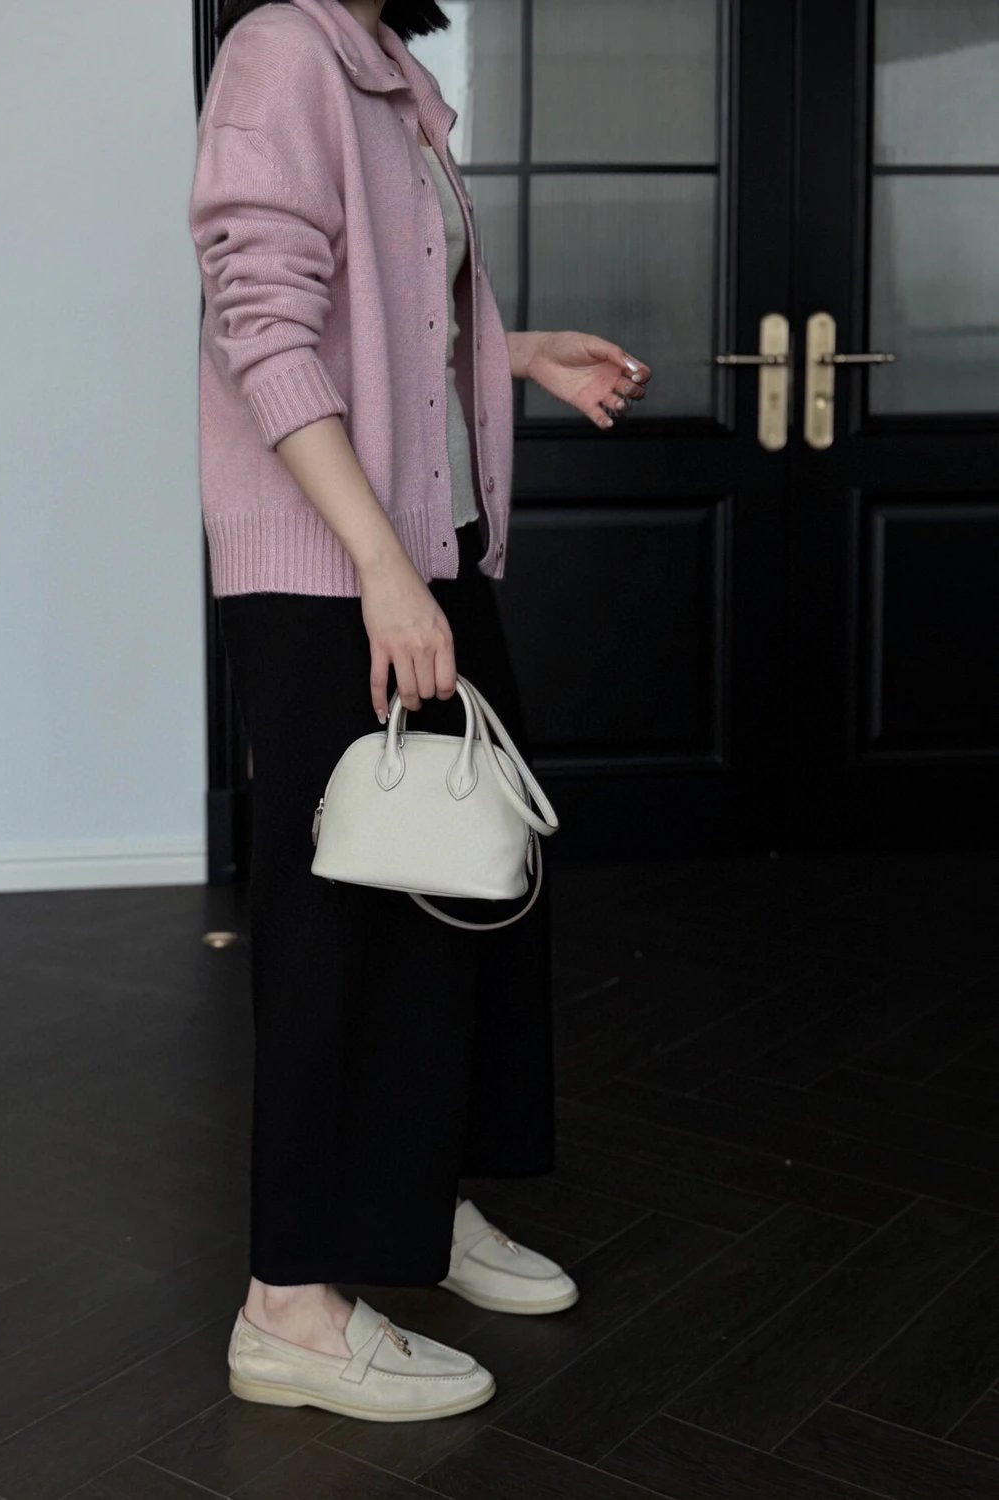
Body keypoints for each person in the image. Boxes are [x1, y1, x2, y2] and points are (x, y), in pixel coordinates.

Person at [188, 0, 651, 1423]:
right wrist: (381, 571)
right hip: (335, 573)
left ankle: (411, 1205)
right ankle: (289, 1307)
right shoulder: (282, 50)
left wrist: (520, 350)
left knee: (459, 896)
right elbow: (265, 329)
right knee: (334, 928)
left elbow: (389, 317)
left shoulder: (387, 66)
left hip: (423, 551)